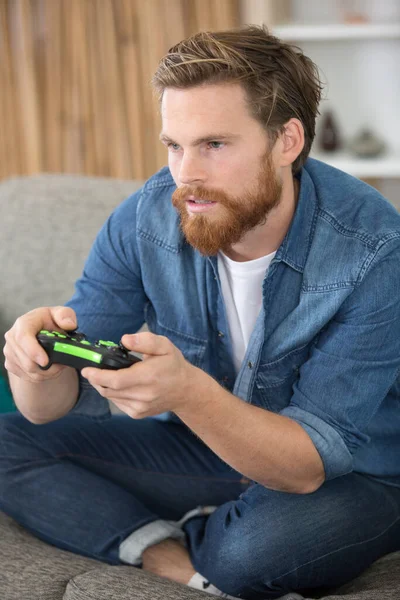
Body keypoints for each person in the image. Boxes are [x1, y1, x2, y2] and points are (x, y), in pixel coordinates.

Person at [2, 25, 400, 600]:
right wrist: (31, 363)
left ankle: (209, 537)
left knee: (248, 556)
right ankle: (172, 557)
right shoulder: (145, 217)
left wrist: (186, 391)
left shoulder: (374, 249)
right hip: (204, 450)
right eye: (173, 145)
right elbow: (51, 407)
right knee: (6, 443)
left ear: (287, 141)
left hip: (352, 472)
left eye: (214, 144)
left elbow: (309, 464)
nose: (184, 174)